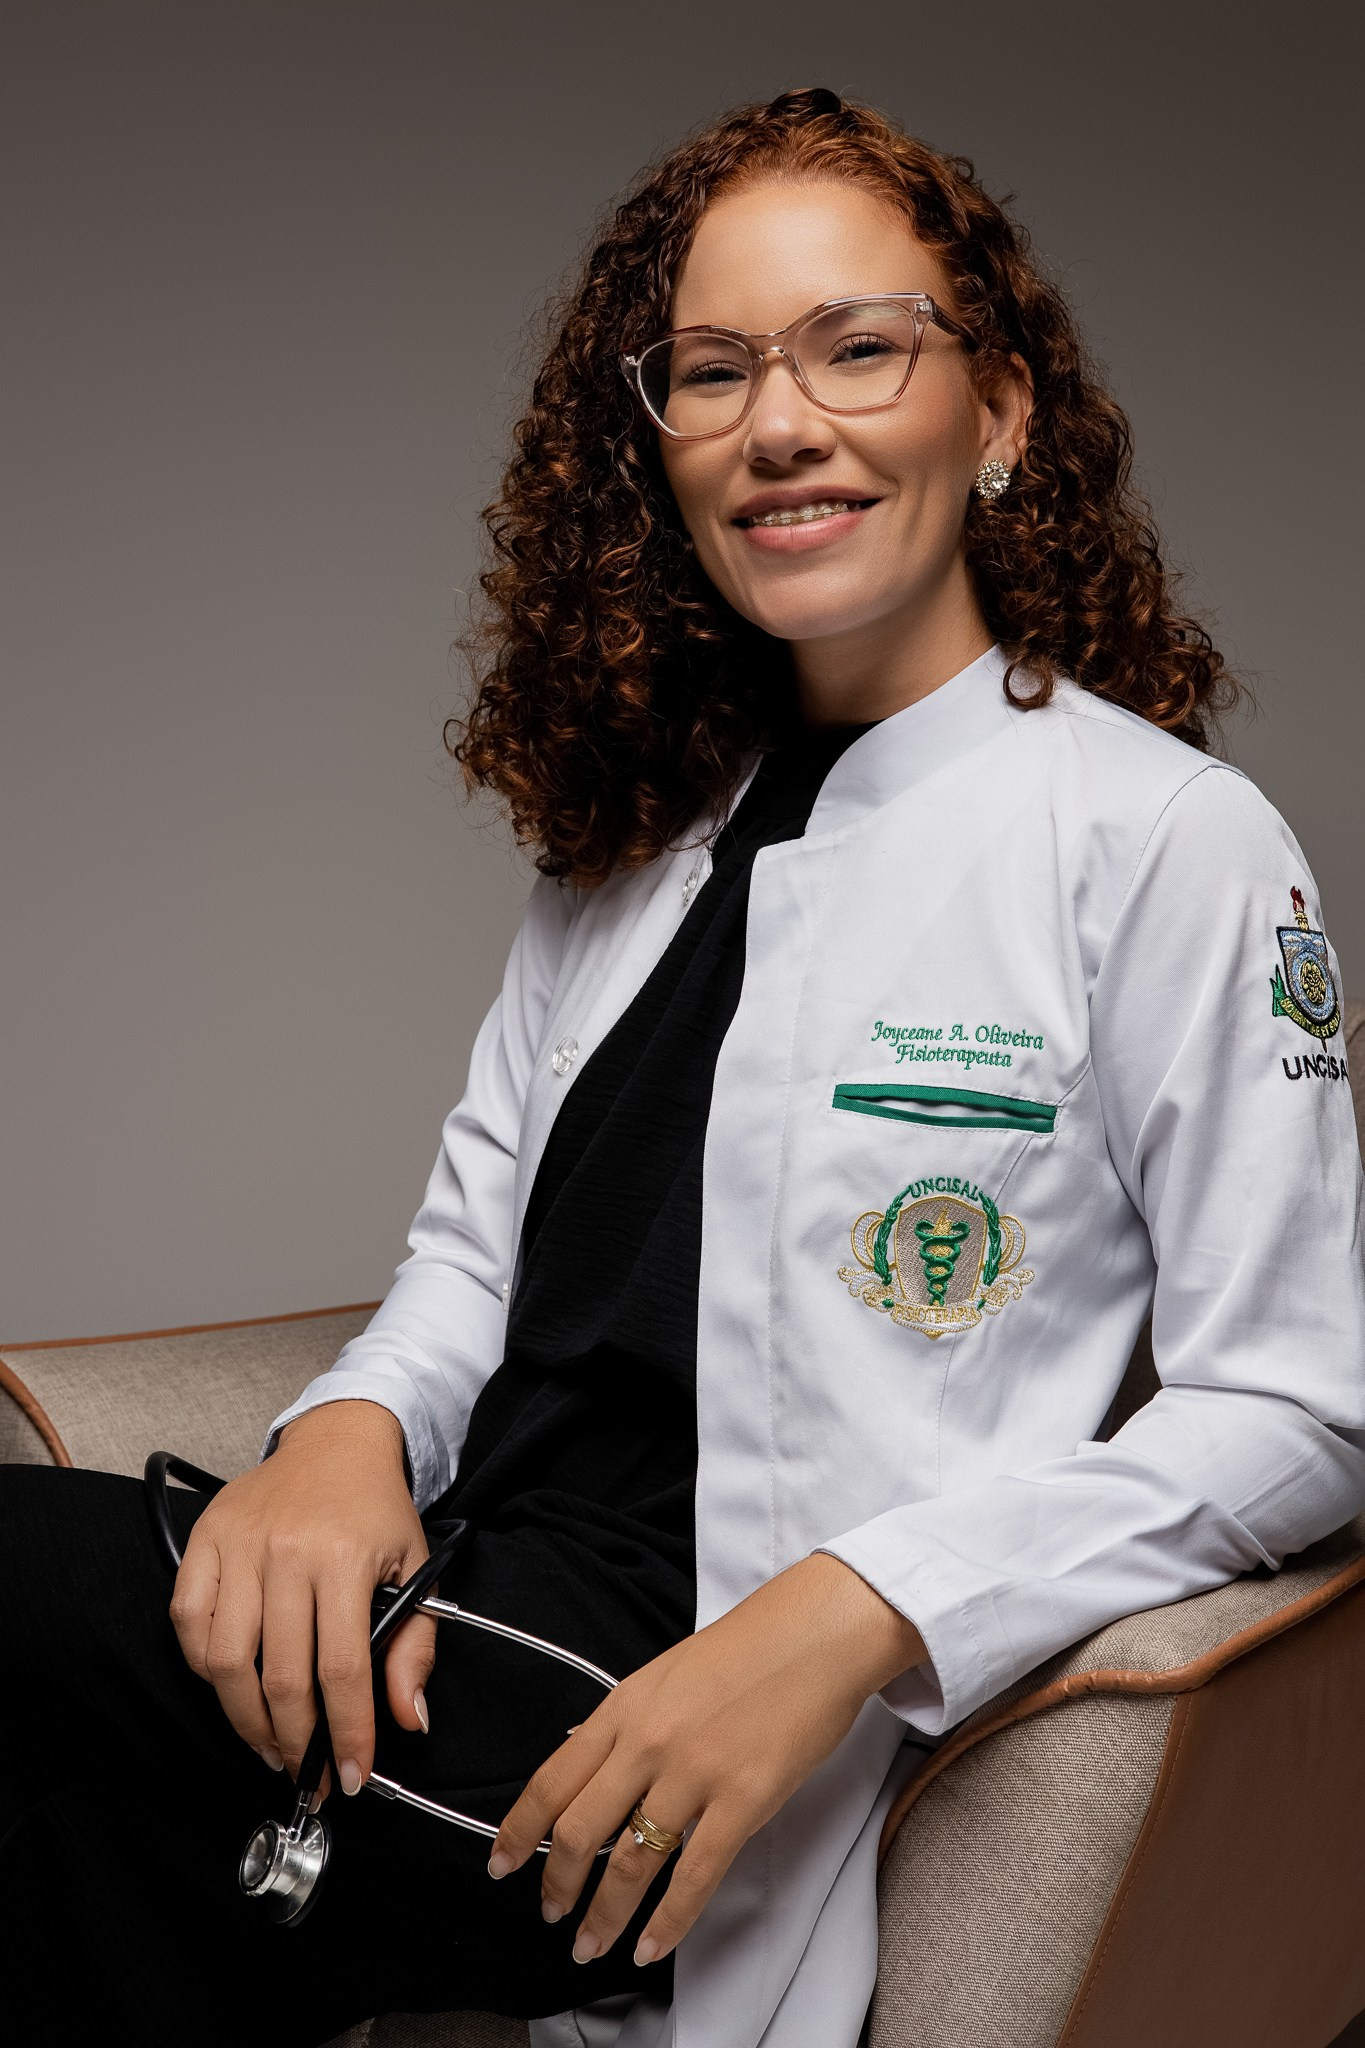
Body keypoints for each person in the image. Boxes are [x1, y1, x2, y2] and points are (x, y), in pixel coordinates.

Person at [3, 85, 1363, 2048]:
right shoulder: (634, 834)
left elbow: (1300, 1404)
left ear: (999, 412)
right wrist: (347, 1432)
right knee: (74, 1856)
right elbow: (468, 1258)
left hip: (655, 1737)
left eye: (855, 347)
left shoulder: (1159, 839)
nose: (777, 423)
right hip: (442, 1628)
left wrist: (850, 1609)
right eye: (713, 370)